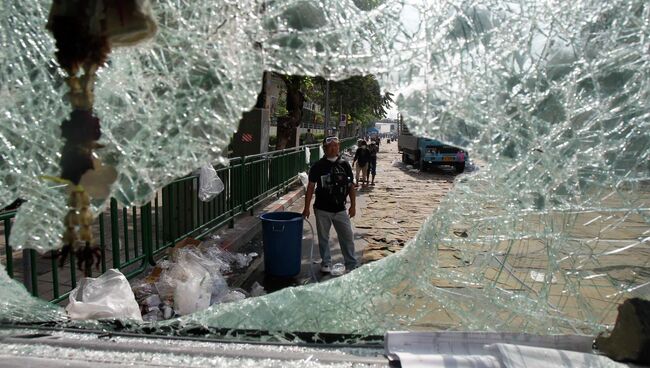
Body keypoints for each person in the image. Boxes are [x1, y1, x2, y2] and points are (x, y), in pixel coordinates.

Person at [302, 136, 358, 273]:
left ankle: (351, 263)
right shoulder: (318, 166)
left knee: (347, 237)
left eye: (336, 145)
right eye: (331, 146)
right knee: (323, 238)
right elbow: (310, 187)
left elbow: (350, 185)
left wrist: (353, 205)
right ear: (325, 149)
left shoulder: (344, 164)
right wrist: (306, 207)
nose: (334, 148)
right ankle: (326, 262)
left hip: (340, 209)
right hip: (322, 208)